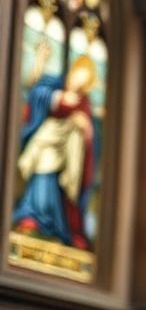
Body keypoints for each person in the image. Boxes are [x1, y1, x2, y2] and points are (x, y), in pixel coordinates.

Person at [13, 52, 96, 250]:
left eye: (83, 81)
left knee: (54, 185)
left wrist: (84, 128)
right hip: (46, 142)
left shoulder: (83, 102)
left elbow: (89, 132)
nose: (77, 83)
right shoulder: (55, 85)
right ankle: (32, 216)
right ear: (72, 72)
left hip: (65, 153)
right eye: (77, 76)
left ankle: (54, 227)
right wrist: (56, 98)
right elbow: (36, 93)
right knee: (42, 175)